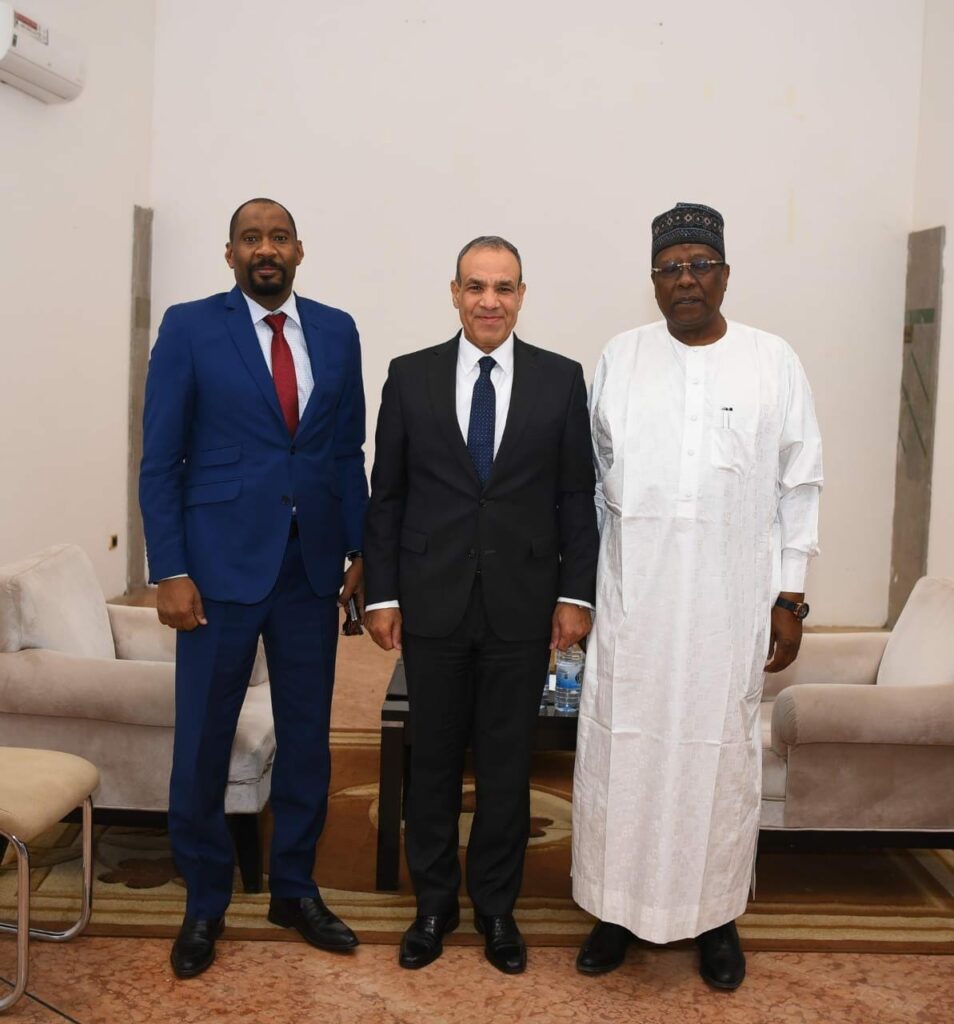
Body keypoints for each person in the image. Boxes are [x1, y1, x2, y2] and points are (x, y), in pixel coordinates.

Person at [571, 202, 823, 990]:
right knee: (624, 749)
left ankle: (716, 917)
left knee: (718, 758)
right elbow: (591, 485)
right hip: (635, 603)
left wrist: (791, 597)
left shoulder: (771, 361)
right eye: (670, 267)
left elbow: (800, 482)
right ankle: (614, 910)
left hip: (727, 606)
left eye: (700, 265)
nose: (686, 279)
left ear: (725, 275)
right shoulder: (621, 357)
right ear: (653, 281)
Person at [139, 197, 368, 979]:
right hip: (216, 573)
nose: (265, 249)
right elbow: (160, 459)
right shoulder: (190, 327)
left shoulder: (336, 330)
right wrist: (170, 570)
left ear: (299, 250)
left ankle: (294, 890)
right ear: (230, 253)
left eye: (278, 237)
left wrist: (361, 547)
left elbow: (345, 451)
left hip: (309, 573)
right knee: (203, 742)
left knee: (307, 742)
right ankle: (205, 901)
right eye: (250, 238)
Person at [363, 236, 599, 974]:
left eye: (503, 287)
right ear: (455, 293)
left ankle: (497, 909)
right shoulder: (409, 376)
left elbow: (576, 495)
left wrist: (575, 594)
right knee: (431, 762)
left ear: (522, 295)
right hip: (430, 602)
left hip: (522, 607)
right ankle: (433, 906)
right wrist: (382, 594)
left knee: (505, 767)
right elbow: (387, 494)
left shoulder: (561, 380)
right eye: (475, 286)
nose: (489, 301)